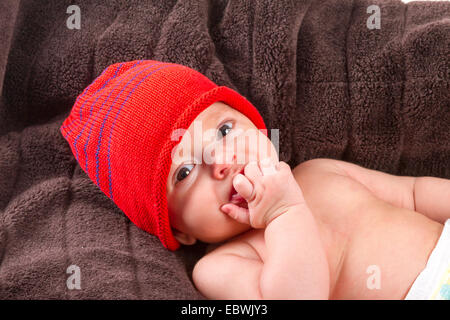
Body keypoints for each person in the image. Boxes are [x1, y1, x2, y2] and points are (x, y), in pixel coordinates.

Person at [61, 60, 450, 300]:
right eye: (184, 172)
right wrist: (284, 213)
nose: (220, 162)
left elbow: (414, 194)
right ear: (178, 231)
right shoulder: (222, 267)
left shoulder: (319, 172)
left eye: (224, 130)